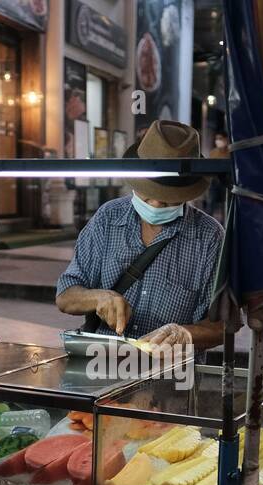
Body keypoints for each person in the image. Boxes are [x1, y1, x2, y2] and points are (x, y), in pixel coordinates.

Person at [56, 120, 226, 351]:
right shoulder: (108, 218)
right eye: (148, 194)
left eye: (167, 199)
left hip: (171, 374)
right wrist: (98, 298)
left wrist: (184, 334)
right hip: (103, 363)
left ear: (187, 193)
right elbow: (66, 296)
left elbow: (222, 326)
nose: (156, 204)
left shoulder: (209, 237)